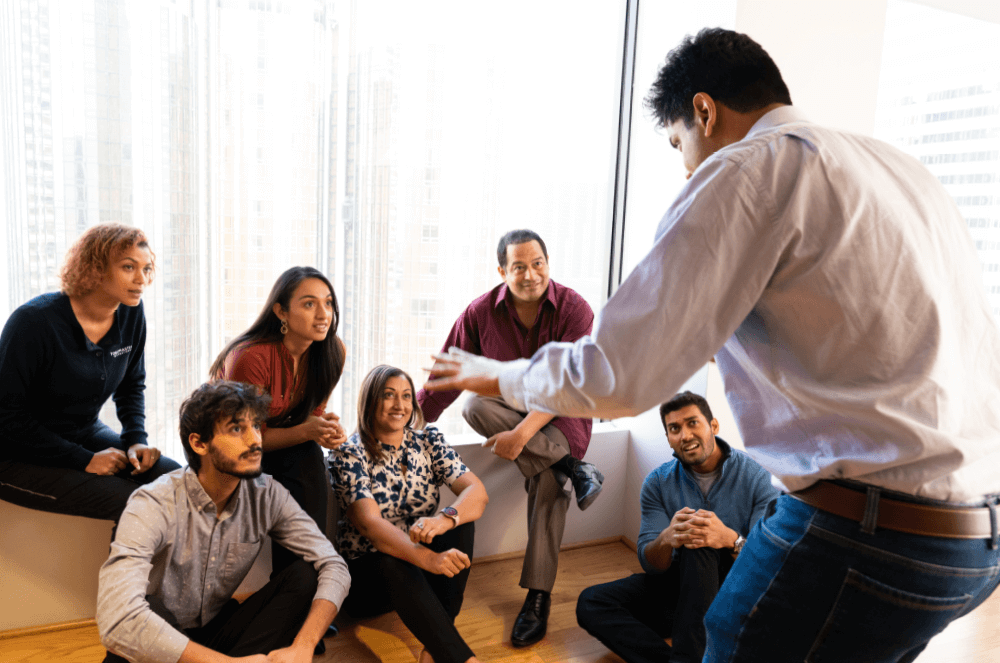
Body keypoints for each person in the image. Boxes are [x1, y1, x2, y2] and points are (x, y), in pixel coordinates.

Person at [425, 27, 1000, 663]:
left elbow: (619, 376)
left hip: (867, 527)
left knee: (726, 642)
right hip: (976, 538)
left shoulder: (748, 168)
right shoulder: (900, 170)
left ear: (704, 110)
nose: (686, 165)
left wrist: (493, 373)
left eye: (678, 143)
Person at [416, 229, 603, 647]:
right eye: (519, 267)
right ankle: (575, 468)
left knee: (549, 480)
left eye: (538, 264)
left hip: (563, 416)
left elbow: (569, 385)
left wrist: (521, 435)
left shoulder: (575, 309)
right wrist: (402, 425)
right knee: (473, 405)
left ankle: (538, 596)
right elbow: (448, 377)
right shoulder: (480, 312)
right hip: (507, 410)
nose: (530, 274)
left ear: (548, 264)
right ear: (502, 271)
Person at [97, 380, 351, 663]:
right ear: (199, 443)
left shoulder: (267, 494)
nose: (255, 440)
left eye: (256, 426)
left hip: (215, 633)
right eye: (236, 429)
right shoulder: (153, 502)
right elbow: (118, 620)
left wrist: (304, 645)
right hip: (158, 642)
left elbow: (334, 565)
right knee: (146, 609)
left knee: (306, 574)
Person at [577, 392, 778, 663]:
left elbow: (765, 564)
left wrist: (729, 539)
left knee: (699, 541)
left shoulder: (758, 477)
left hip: (733, 592)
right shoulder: (657, 482)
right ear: (668, 438)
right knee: (591, 602)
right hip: (681, 587)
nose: (684, 435)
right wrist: (666, 539)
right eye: (674, 429)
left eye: (693, 423)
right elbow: (651, 565)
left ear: (713, 426)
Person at [0, 223, 180, 523]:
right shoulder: (33, 323)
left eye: (147, 269)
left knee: (176, 480)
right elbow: (7, 417)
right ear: (95, 268)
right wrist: (84, 460)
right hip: (16, 452)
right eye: (128, 267)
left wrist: (136, 439)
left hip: (83, 431)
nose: (141, 280)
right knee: (136, 505)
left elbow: (131, 384)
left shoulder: (131, 312)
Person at [330, 365, 488, 663]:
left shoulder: (427, 441)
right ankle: (463, 659)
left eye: (405, 396)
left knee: (460, 523)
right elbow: (369, 524)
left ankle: (435, 648)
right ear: (370, 401)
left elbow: (477, 492)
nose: (399, 405)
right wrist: (428, 558)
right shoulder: (349, 453)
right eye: (388, 395)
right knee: (388, 560)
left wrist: (444, 519)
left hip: (418, 571)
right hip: (369, 580)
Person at [211, 266, 347, 579]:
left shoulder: (332, 351)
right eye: (309, 304)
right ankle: (293, 586)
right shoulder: (251, 357)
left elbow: (311, 414)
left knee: (309, 459)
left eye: (328, 303)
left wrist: (324, 428)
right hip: (229, 447)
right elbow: (243, 440)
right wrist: (308, 430)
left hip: (276, 441)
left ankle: (303, 582)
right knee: (304, 457)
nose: (323, 314)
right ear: (281, 312)